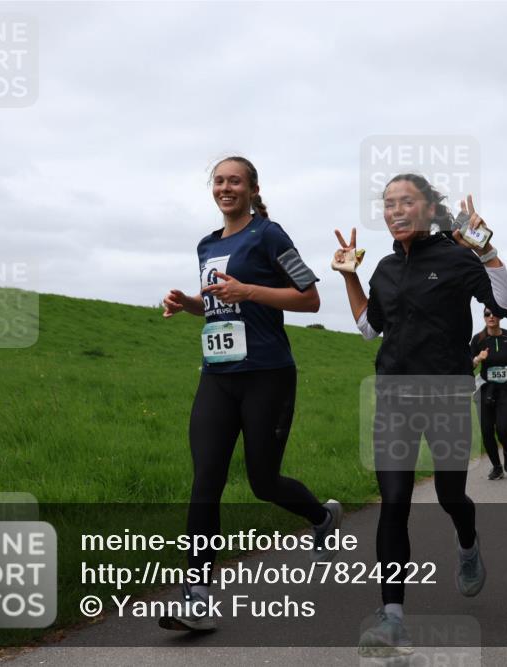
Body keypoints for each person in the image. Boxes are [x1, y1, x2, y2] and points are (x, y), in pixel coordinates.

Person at [334, 174, 507, 656]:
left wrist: (485, 250)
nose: (395, 210)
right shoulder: (382, 267)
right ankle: (392, 618)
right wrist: (350, 276)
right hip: (395, 396)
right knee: (394, 500)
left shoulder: (457, 257)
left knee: (449, 493)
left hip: (445, 393)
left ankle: (467, 541)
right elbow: (368, 329)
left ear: (429, 208)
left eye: (406, 201)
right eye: (388, 203)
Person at [159, 156, 342, 632]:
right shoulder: (205, 244)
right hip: (217, 375)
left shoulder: (270, 234)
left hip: (268, 375)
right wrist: (190, 305)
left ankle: (321, 517)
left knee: (263, 481)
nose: (226, 188)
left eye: (234, 181)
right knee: (206, 481)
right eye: (219, 181)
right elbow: (221, 303)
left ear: (251, 187)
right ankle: (196, 595)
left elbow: (310, 298)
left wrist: (252, 291)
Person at [470, 308, 507, 480]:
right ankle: (497, 467)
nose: (491, 316)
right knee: (486, 431)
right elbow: (469, 366)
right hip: (486, 388)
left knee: (503, 428)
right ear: (484, 317)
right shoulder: (478, 339)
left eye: (494, 313)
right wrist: (478, 358)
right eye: (486, 314)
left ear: (500, 316)